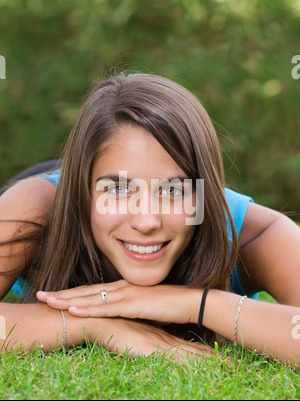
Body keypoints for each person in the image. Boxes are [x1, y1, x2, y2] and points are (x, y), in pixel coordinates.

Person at [1, 73, 300, 367]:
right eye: (118, 189)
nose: (146, 221)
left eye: (173, 190)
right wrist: (94, 325)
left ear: (201, 194)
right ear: (84, 192)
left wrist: (199, 304)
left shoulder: (254, 233)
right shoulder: (36, 209)